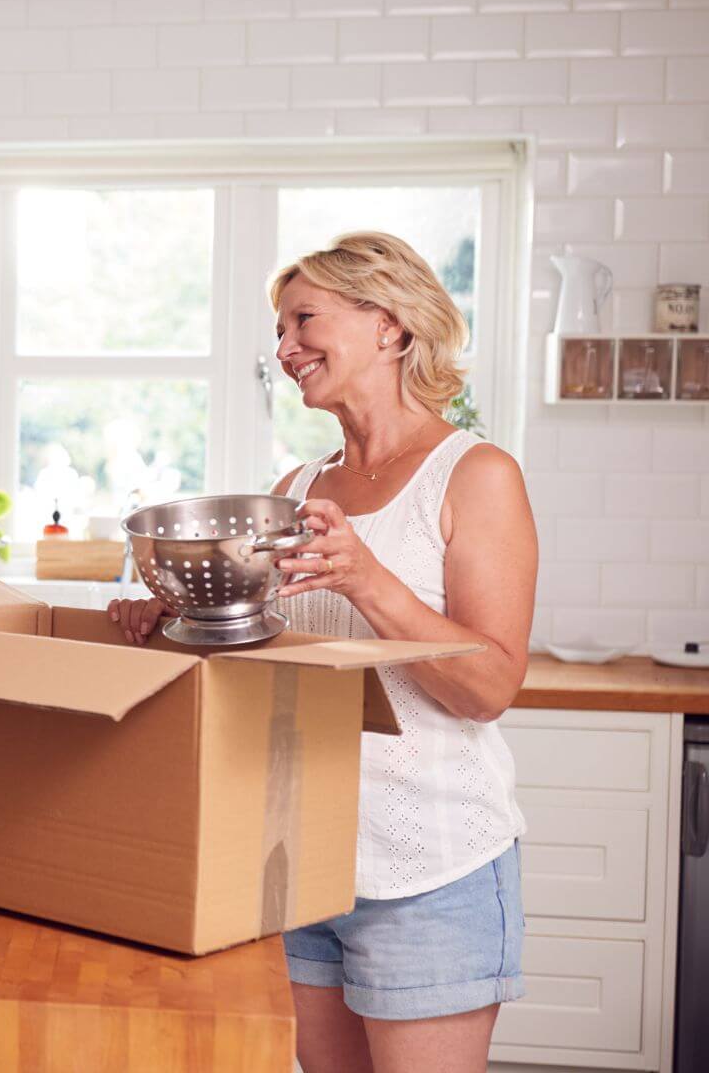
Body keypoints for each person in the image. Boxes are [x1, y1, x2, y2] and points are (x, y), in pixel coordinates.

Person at [110, 231, 536, 1073]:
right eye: (280, 330)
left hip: (430, 872)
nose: (284, 349)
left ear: (390, 326)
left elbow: (489, 685)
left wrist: (368, 580)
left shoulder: (474, 474)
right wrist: (176, 620)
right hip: (300, 862)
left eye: (305, 319)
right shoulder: (295, 490)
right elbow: (266, 657)